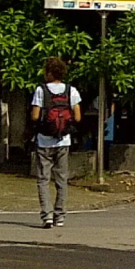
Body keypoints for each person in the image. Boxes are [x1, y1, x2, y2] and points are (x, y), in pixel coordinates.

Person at [30, 57, 81, 229]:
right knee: (62, 179)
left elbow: (35, 116)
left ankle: (47, 216)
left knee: (43, 179)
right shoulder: (71, 90)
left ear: (50, 73)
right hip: (63, 141)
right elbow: (78, 116)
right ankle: (60, 216)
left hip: (44, 140)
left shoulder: (41, 90)